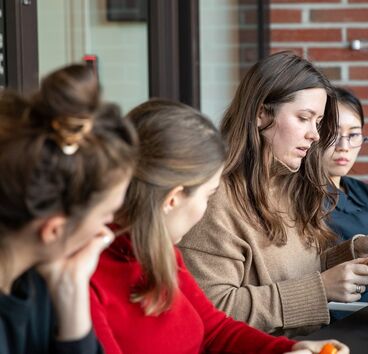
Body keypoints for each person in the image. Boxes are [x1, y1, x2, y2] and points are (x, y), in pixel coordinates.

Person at [89, 99, 348, 354]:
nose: (207, 208)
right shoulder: (88, 281)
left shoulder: (160, 250)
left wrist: (286, 348)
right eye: (208, 195)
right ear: (173, 199)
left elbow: (214, 329)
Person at [179, 51, 368, 336]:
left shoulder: (289, 185)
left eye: (317, 122)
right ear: (261, 113)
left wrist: (351, 253)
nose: (315, 135)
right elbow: (211, 310)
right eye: (304, 118)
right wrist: (321, 290)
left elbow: (295, 272)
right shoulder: (214, 199)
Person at [0, 64, 138, 354]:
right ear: (54, 230)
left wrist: (71, 294)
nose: (107, 228)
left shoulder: (38, 279)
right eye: (105, 214)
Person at [323, 87, 368, 319]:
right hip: (337, 319)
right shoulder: (300, 197)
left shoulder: (365, 192)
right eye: (332, 134)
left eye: (353, 135)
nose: (343, 146)